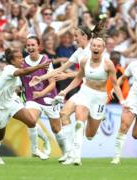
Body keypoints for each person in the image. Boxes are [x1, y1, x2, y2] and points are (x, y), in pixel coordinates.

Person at [58, 34, 124, 166]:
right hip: (85, 93)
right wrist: (64, 91)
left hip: (99, 98)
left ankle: (97, 119)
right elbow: (78, 78)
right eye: (93, 45)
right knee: (78, 122)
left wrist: (122, 101)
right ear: (91, 47)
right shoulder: (84, 61)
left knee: (89, 135)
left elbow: (115, 84)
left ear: (103, 49)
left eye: (99, 46)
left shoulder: (108, 64)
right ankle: (75, 156)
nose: (96, 47)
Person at [29, 25, 92, 162]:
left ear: (85, 37)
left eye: (76, 36)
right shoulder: (79, 52)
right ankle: (71, 153)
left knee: (90, 134)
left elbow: (90, 73)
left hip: (96, 93)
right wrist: (41, 78)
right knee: (63, 114)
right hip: (84, 90)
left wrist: (67, 75)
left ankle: (95, 120)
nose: (74, 39)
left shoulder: (93, 51)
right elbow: (61, 68)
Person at [0, 48, 49, 164]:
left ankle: (35, 150)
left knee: (31, 121)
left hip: (11, 102)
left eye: (22, 57)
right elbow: (24, 72)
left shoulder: (15, 71)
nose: (22, 60)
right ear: (11, 60)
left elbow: (15, 88)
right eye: (19, 58)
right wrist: (39, 67)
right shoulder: (9, 69)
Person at [20, 35, 67, 160]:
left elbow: (52, 84)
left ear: (38, 46)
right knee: (31, 121)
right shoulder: (23, 63)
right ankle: (41, 145)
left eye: (33, 45)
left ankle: (66, 153)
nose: (30, 47)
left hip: (48, 98)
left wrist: (41, 93)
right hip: (32, 99)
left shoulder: (45, 60)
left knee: (56, 129)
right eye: (28, 45)